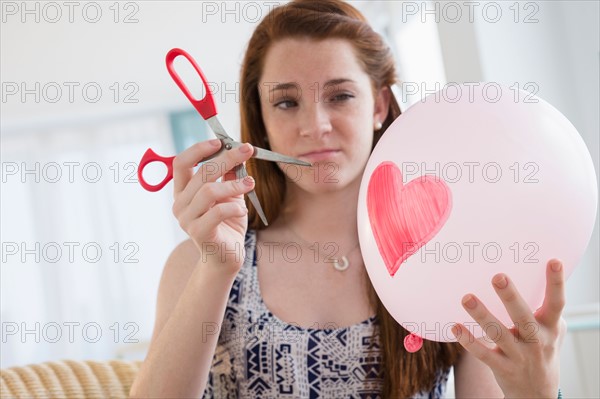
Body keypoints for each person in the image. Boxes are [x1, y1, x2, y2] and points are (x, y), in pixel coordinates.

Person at [130, 1, 566, 397]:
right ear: (259, 120)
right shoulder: (199, 263)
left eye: (339, 96)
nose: (315, 125)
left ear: (379, 106)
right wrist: (214, 270)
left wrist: (537, 389)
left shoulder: (454, 264)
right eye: (286, 102)